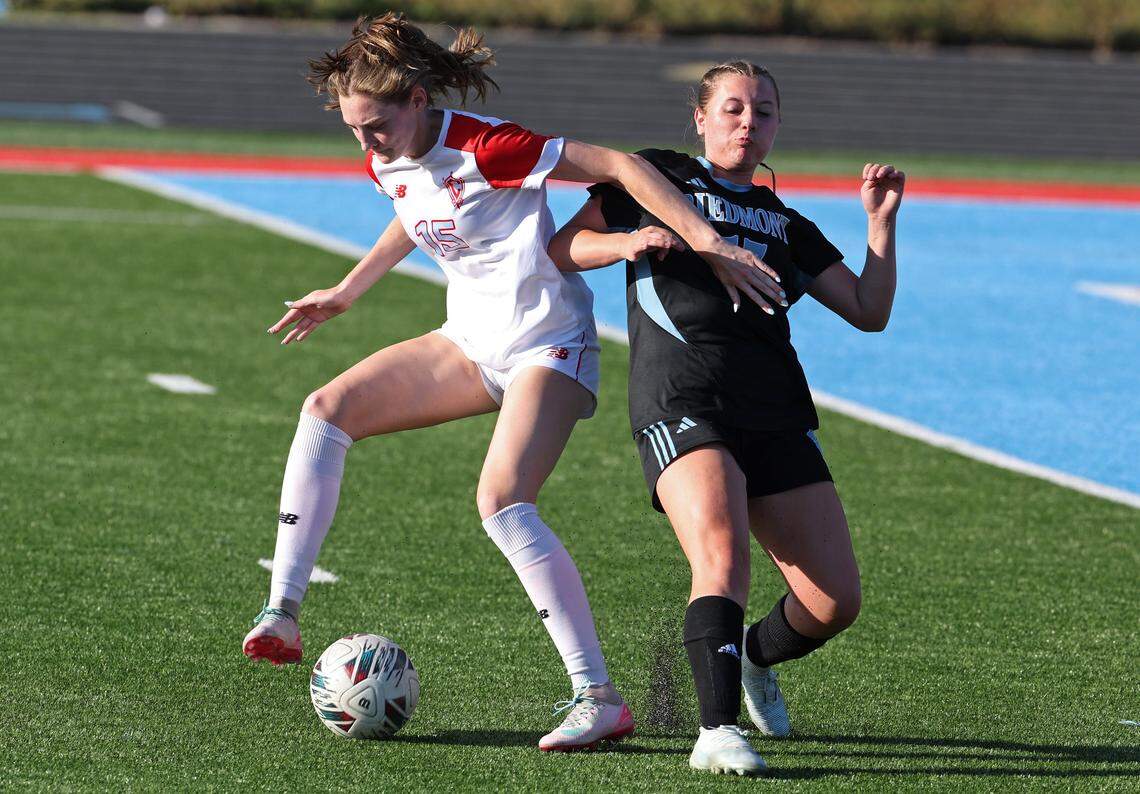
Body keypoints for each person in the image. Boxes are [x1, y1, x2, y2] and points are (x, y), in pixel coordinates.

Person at [242, 18, 785, 753]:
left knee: (500, 499)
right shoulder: (387, 156)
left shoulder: (491, 145)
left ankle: (598, 696)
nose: (365, 145)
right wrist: (347, 289)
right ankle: (282, 612)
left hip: (547, 344)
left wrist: (706, 239)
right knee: (325, 410)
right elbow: (411, 210)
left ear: (417, 99)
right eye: (354, 130)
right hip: (469, 342)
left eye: (374, 127)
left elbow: (622, 167)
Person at [548, 61, 904, 773]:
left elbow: (869, 311)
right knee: (722, 556)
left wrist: (879, 225)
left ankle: (752, 658)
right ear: (702, 118)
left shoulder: (785, 223)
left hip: (772, 404)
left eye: (763, 112)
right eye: (734, 108)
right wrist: (629, 243)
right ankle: (715, 731)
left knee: (835, 602)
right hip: (681, 396)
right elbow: (564, 248)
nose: (749, 122)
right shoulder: (657, 178)